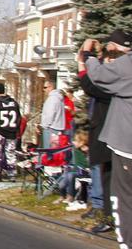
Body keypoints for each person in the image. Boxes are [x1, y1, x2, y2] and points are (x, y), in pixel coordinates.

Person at [81, 31, 132, 244]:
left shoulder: (127, 66)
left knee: (123, 200)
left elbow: (98, 77)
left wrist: (86, 54)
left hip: (126, 145)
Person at [78, 31, 120, 233]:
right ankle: (107, 214)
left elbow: (91, 86)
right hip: (107, 135)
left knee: (110, 180)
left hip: (110, 136)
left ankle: (110, 217)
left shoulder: (114, 84)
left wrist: (85, 57)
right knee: (107, 177)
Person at [41, 78, 66, 149]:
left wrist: (45, 125)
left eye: (45, 87)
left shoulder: (52, 99)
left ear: (50, 87)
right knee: (56, 152)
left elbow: (50, 114)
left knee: (49, 152)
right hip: (58, 128)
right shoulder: (59, 98)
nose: (44, 90)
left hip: (51, 128)